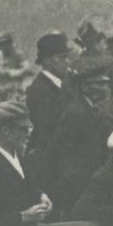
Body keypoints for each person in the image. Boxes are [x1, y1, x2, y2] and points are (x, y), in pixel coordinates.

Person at [49, 59, 113, 217]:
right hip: (78, 184)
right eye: (100, 84)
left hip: (91, 179)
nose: (105, 88)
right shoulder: (76, 112)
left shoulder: (93, 108)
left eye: (105, 83)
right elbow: (60, 150)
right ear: (86, 87)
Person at [0, 101, 52, 226]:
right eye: (23, 129)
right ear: (6, 131)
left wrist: (40, 195)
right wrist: (22, 217)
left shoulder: (16, 156)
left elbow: (22, 185)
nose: (29, 133)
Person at [25, 32, 74, 160]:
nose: (67, 62)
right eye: (61, 57)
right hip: (53, 159)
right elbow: (47, 132)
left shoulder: (65, 84)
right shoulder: (39, 90)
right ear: (46, 60)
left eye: (67, 57)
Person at [0, 32, 32, 96]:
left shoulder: (19, 54)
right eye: (1, 44)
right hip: (1, 89)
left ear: (10, 43)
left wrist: (10, 73)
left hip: (15, 89)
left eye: (6, 43)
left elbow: (26, 68)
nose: (4, 46)